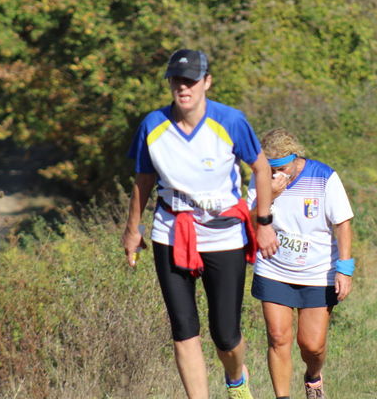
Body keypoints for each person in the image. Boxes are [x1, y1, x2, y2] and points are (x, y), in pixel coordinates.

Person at [121, 49, 278, 399]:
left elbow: (262, 168)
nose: (184, 88)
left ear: (207, 82)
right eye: (177, 81)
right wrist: (133, 230)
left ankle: (236, 378)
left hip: (223, 236)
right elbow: (143, 180)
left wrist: (263, 221)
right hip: (170, 231)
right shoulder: (153, 125)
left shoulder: (231, 121)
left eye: (191, 80)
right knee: (183, 329)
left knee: (225, 335)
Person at [246, 128, 355, 399]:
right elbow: (247, 219)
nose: (276, 176)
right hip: (273, 267)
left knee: (312, 345)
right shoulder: (261, 179)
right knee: (278, 337)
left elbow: (342, 223)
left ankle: (313, 377)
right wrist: (268, 194)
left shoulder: (324, 176)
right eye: (270, 170)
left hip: (318, 272)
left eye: (281, 168)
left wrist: (345, 268)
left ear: (296, 158)